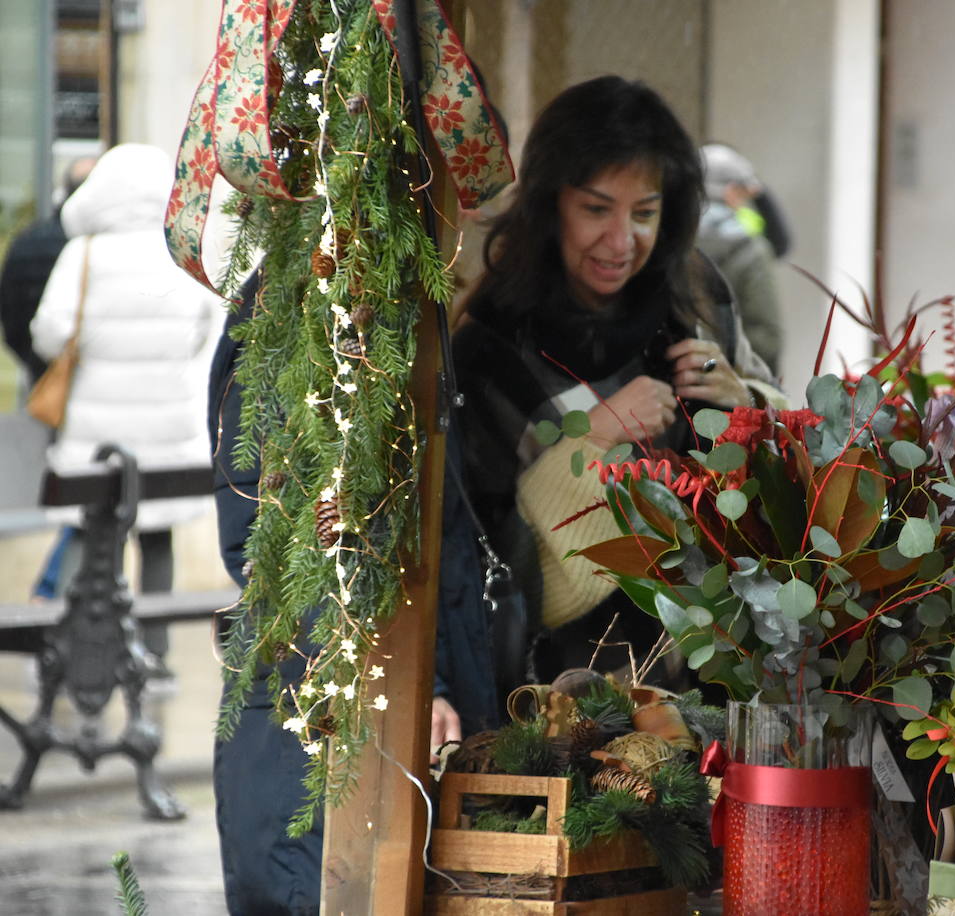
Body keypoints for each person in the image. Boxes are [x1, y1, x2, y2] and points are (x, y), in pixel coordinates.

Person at [452, 76, 785, 685]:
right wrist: (592, 438)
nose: (621, 241)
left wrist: (746, 405)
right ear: (551, 205)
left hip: (710, 688)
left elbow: (789, 465)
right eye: (596, 209)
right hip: (549, 699)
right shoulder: (490, 347)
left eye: (645, 213)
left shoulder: (699, 296)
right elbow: (481, 562)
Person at [209, 269, 497, 915]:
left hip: (382, 711)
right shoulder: (296, 318)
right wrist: (423, 685)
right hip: (329, 720)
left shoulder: (407, 302)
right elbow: (275, 542)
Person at [29, 143, 222, 667]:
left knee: (95, 538)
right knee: (157, 542)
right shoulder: (181, 252)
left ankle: (71, 650)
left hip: (98, 436)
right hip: (169, 436)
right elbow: (207, 328)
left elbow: (50, 334)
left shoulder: (84, 254)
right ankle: (153, 655)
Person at [0, 156, 97, 603]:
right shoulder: (88, 246)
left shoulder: (29, 240)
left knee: (75, 496)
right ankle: (52, 590)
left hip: (50, 386)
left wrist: (41, 372)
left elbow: (15, 321)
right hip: (95, 394)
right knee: (92, 504)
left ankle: (55, 594)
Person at [697, 143, 785, 373]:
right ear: (731, 191)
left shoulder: (668, 238)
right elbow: (766, 336)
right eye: (744, 192)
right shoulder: (750, 249)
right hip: (734, 379)